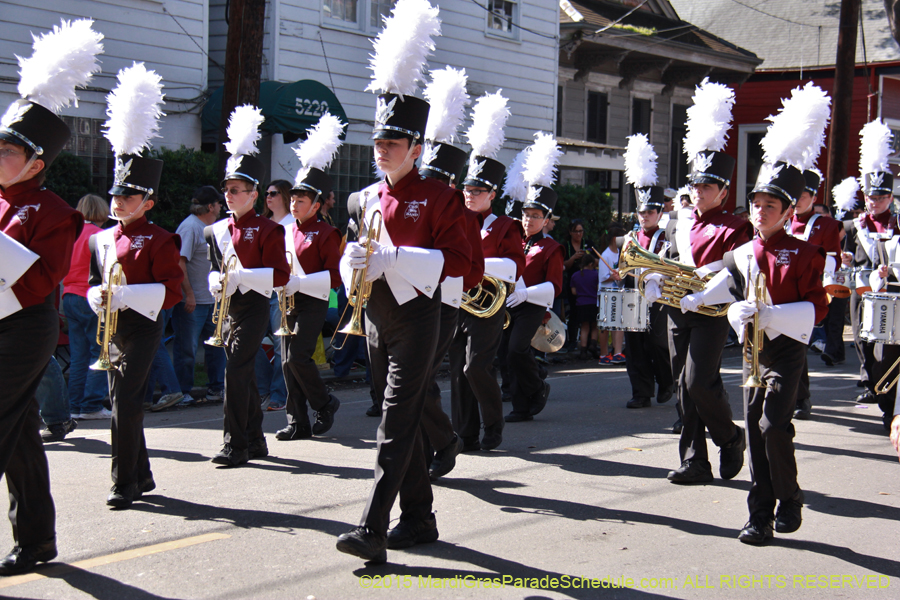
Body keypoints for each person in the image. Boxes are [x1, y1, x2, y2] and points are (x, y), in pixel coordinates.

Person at [335, 74, 471, 561]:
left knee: (393, 420)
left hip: (418, 315)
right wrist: (349, 262)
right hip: (374, 316)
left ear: (415, 147)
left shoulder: (439, 196)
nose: (381, 148)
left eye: (392, 141)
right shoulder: (361, 199)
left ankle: (372, 527)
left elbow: (466, 265)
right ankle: (418, 517)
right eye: (377, 140)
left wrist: (397, 258)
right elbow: (350, 254)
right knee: (404, 418)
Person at [0, 18, 98, 575]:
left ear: (36, 163)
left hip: (25, 323)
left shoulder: (56, 211)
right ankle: (36, 539)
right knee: (17, 434)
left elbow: (41, 280)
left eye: (8, 151)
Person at [714, 160, 827, 545]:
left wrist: (772, 314)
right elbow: (725, 294)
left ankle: (790, 497)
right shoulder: (740, 253)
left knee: (772, 425)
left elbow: (819, 307)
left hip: (786, 350)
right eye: (756, 205)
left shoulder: (806, 252)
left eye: (770, 207)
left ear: (788, 212)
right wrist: (734, 313)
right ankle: (759, 516)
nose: (760, 213)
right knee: (756, 432)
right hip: (752, 352)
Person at [88, 63, 183, 509]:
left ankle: (122, 483)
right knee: (120, 403)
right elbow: (92, 284)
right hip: (111, 326)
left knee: (125, 404)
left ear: (148, 200)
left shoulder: (162, 237)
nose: (118, 202)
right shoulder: (100, 238)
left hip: (143, 326)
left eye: (128, 196)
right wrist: (98, 297)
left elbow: (172, 291)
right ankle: (141, 474)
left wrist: (125, 295)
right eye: (115, 195)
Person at [659, 79, 751, 484]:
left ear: (724, 190)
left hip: (711, 310)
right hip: (677, 307)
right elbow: (666, 258)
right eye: (695, 185)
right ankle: (694, 460)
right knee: (683, 383)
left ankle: (731, 438)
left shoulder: (736, 226)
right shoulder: (679, 219)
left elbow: (736, 272)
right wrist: (652, 281)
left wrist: (703, 287)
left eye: (707, 186)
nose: (698, 192)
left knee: (700, 381)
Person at [206, 105, 290, 467]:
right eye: (227, 189)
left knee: (236, 374)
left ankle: (234, 444)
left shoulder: (270, 229)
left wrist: (242, 277)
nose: (229, 195)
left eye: (237, 190)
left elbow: (281, 276)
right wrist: (215, 281)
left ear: (253, 194)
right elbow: (213, 267)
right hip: (228, 308)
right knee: (244, 375)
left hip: (255, 306)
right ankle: (256, 440)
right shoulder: (216, 230)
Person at [450, 104, 525, 451]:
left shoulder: (506, 226)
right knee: (456, 373)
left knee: (475, 368)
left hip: (487, 306)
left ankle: (493, 426)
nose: (470, 194)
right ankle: (465, 433)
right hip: (455, 302)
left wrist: (472, 263)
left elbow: (512, 268)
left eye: (478, 191)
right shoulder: (453, 222)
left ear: (493, 194)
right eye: (467, 189)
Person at [276, 115, 343, 442]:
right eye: (292, 199)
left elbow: (334, 277)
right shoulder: (286, 230)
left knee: (298, 356)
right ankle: (297, 421)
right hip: (287, 300)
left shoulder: (326, 232)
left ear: (316, 204)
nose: (294, 203)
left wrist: (299, 283)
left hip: (314, 300)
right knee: (287, 363)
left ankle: (325, 402)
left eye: (300, 200)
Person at [502, 136, 564, 423]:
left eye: (535, 216)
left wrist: (527, 294)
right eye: (526, 215)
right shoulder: (514, 240)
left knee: (517, 349)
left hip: (532, 306)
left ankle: (537, 385)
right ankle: (520, 405)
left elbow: (555, 285)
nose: (528, 220)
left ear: (546, 219)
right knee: (507, 354)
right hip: (507, 303)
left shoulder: (552, 247)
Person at [842, 119, 897, 410]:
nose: (874, 202)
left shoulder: (898, 223)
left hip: (891, 288)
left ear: (890, 197)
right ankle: (868, 382)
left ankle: (884, 383)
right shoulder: (854, 225)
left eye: (880, 197)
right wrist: (846, 257)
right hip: (861, 285)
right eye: (870, 197)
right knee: (862, 337)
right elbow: (845, 252)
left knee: (885, 340)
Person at [787, 169, 842, 420]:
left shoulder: (827, 224)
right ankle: (788, 395)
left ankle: (801, 398)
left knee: (796, 344)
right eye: (794, 193)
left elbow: (833, 262)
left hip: (807, 292)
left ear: (814, 195)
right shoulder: (780, 218)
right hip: (779, 289)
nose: (798, 199)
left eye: (804, 194)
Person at [171, 185, 225, 406]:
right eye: (219, 203)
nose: (222, 206)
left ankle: (215, 388)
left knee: (216, 347)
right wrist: (189, 294)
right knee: (187, 349)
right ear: (210, 206)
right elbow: (180, 262)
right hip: (193, 302)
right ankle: (182, 391)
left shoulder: (213, 227)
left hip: (212, 300)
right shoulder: (190, 227)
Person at [622, 191, 674, 408]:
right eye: (642, 212)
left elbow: (671, 265)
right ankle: (641, 393)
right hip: (633, 294)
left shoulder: (666, 236)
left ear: (660, 213)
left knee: (656, 342)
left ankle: (666, 381)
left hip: (657, 296)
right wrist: (619, 272)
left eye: (650, 212)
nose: (645, 216)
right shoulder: (630, 237)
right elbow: (623, 265)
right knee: (634, 346)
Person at [62, 193, 112, 421]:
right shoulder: (100, 236)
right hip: (90, 296)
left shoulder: (69, 234)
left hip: (69, 296)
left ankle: (74, 405)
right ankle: (91, 404)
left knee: (79, 355)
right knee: (98, 351)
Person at [255, 179, 293, 411]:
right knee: (255, 341)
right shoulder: (261, 224)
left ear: (286, 196)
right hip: (258, 289)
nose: (268, 197)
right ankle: (262, 389)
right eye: (267, 193)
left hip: (281, 291)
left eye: (274, 193)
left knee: (281, 344)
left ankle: (279, 394)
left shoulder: (293, 224)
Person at [563, 219, 594, 352]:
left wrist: (588, 257)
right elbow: (564, 266)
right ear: (570, 232)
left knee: (589, 315)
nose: (579, 234)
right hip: (573, 281)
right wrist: (574, 258)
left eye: (581, 231)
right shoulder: (566, 246)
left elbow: (597, 260)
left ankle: (587, 343)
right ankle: (572, 341)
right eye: (576, 231)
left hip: (588, 283)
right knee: (573, 313)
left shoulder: (588, 244)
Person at [597, 225, 626, 364]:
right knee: (606, 326)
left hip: (619, 293)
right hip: (606, 294)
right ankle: (603, 354)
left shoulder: (622, 254)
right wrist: (615, 276)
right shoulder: (606, 254)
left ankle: (617, 352)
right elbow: (602, 276)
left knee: (618, 323)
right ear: (616, 239)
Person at [570, 254, 599, 359]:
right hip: (593, 302)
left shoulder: (575, 275)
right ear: (591, 264)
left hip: (581, 303)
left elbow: (573, 292)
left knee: (584, 326)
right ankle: (593, 345)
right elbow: (597, 288)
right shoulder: (595, 275)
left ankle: (583, 350)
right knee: (595, 326)